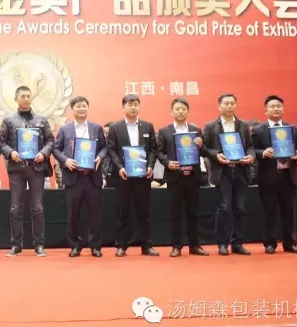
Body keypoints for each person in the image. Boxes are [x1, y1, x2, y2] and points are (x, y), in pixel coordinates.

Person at [0, 86, 54, 257]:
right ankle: (16, 245)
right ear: (16, 99)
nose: (26, 99)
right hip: (17, 169)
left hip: (37, 168)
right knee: (15, 208)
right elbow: (1, 143)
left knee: (37, 208)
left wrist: (43, 153)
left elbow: (51, 141)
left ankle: (39, 245)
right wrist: (11, 153)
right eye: (23, 96)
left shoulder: (41, 120)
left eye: (29, 96)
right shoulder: (8, 120)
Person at [52, 96, 107, 257]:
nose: (82, 109)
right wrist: (66, 160)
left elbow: (104, 148)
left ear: (88, 108)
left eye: (84, 106)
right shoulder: (65, 129)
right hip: (73, 177)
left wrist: (100, 157)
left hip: (92, 177)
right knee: (73, 214)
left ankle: (95, 246)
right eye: (78, 106)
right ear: (72, 109)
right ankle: (75, 245)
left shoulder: (96, 127)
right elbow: (56, 149)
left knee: (95, 214)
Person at [203, 93, 255, 256]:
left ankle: (237, 243)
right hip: (222, 171)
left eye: (232, 103)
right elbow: (204, 148)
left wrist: (251, 156)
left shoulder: (243, 125)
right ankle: (222, 244)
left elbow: (250, 146)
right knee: (225, 208)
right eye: (226, 103)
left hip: (240, 170)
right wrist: (216, 155)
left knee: (240, 207)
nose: (230, 106)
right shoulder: (211, 126)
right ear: (219, 106)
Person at [107, 94, 158, 257]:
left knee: (144, 211)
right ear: (123, 107)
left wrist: (150, 166)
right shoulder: (115, 127)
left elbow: (153, 149)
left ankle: (147, 245)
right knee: (123, 211)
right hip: (123, 176)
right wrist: (120, 167)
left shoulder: (147, 126)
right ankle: (121, 245)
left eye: (136, 104)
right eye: (130, 104)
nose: (133, 107)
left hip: (143, 176)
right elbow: (111, 151)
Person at [252, 95, 297, 254]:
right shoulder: (258, 130)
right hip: (268, 177)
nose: (276, 109)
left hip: (288, 175)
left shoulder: (292, 128)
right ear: (265, 110)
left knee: (289, 211)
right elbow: (251, 150)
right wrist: (262, 153)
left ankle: (290, 243)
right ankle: (269, 243)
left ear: (283, 109)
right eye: (272, 106)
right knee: (270, 212)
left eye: (278, 106)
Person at [157, 98, 209, 257]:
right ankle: (176, 246)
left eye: (183, 109)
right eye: (177, 109)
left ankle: (195, 245)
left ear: (188, 111)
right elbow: (159, 152)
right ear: (172, 112)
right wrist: (167, 163)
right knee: (175, 213)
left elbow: (204, 152)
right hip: (175, 178)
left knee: (193, 213)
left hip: (193, 177)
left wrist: (201, 145)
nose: (180, 112)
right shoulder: (164, 131)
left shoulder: (196, 130)